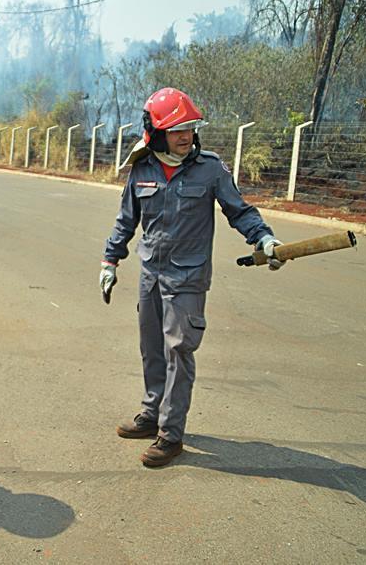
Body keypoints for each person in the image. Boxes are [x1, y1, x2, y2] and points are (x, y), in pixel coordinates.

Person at [100, 87, 285, 468]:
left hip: (187, 278)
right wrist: (110, 261)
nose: (185, 136)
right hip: (150, 274)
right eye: (176, 129)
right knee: (152, 348)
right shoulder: (143, 168)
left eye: (189, 127)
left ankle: (171, 434)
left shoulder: (211, 169)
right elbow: (126, 221)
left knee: (178, 352)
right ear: (155, 132)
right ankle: (152, 415)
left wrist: (263, 237)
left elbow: (240, 211)